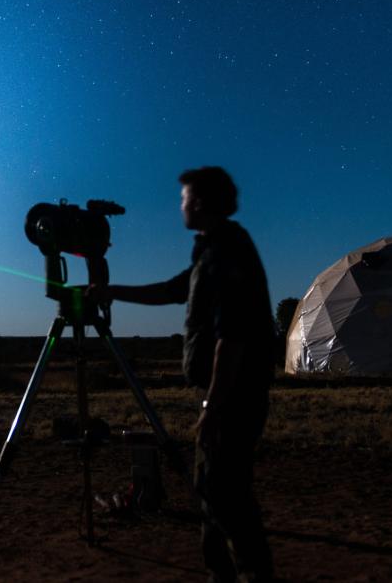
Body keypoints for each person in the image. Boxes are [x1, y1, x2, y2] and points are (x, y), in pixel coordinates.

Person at [94, 166, 275, 582]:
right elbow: (171, 291)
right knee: (211, 492)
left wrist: (213, 405)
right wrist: (113, 292)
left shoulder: (226, 253)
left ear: (200, 202)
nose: (179, 205)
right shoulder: (212, 251)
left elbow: (232, 337)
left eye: (183, 198)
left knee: (225, 497)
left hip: (233, 398)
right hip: (226, 396)